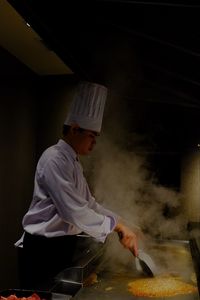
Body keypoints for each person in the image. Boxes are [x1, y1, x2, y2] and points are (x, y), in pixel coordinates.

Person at [15, 81, 138, 290]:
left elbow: (89, 204)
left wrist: (122, 222)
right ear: (74, 129)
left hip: (61, 248)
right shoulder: (53, 158)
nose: (94, 143)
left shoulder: (73, 162)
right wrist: (116, 226)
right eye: (92, 136)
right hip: (42, 251)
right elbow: (74, 211)